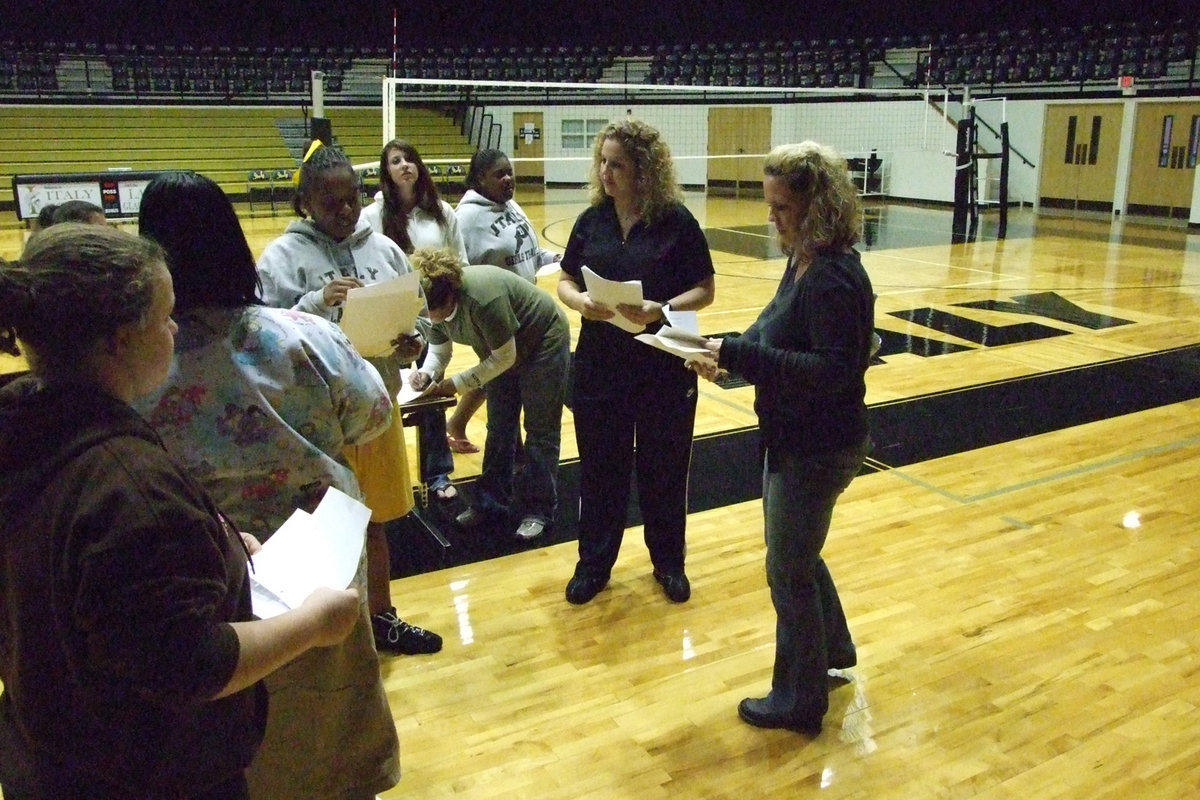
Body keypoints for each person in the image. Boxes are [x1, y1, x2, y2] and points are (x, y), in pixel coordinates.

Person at [0, 223, 359, 799]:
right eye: (165, 316)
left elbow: (94, 589)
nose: (175, 328)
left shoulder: (28, 427)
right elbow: (189, 664)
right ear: (118, 339)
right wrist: (313, 623)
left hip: (49, 754)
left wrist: (217, 545)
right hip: (149, 774)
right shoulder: (127, 486)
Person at [135, 170, 401, 799]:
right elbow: (373, 415)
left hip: (208, 570)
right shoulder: (302, 336)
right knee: (331, 713)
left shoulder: (142, 364)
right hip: (321, 558)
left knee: (231, 718)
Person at [693, 142, 874, 736]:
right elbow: (771, 336)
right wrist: (726, 358)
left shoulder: (834, 278)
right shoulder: (802, 262)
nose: (772, 219)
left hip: (819, 446)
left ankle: (800, 700)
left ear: (818, 206)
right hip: (794, 437)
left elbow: (830, 371)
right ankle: (833, 651)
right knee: (797, 557)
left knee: (787, 569)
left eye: (782, 208)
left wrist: (741, 354)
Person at [256, 142, 442, 656]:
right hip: (311, 421)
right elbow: (260, 336)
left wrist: (415, 341)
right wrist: (316, 301)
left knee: (375, 521)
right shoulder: (280, 260)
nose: (345, 211)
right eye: (330, 201)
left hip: (375, 406)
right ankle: (317, 634)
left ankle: (382, 619)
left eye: (353, 199)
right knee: (319, 526)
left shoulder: (384, 249)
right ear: (305, 203)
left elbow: (419, 315)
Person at [556, 118, 715, 605]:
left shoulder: (677, 222)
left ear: (644, 170)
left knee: (663, 470)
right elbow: (564, 280)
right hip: (600, 367)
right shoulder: (591, 221)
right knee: (600, 469)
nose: (606, 172)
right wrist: (579, 302)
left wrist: (662, 309)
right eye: (602, 162)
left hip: (662, 366)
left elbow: (706, 290)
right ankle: (594, 564)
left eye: (617, 164)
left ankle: (669, 563)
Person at [409, 247, 569, 541]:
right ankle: (489, 503)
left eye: (433, 309)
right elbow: (440, 349)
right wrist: (427, 374)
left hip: (542, 341)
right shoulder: (433, 304)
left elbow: (504, 359)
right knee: (499, 426)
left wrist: (455, 384)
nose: (429, 316)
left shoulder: (483, 300)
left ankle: (538, 510)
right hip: (501, 350)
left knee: (540, 429)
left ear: (451, 295)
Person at [362, 138, 467, 502]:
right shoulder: (373, 216)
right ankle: (381, 478)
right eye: (395, 160)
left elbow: (460, 261)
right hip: (389, 316)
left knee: (430, 389)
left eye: (410, 159)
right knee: (382, 394)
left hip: (432, 314)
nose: (404, 165)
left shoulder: (441, 212)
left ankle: (437, 473)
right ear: (386, 172)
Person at [450, 148, 562, 454]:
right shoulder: (466, 219)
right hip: (493, 316)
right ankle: (513, 456)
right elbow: (460, 272)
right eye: (499, 174)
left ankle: (460, 426)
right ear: (479, 180)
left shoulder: (512, 206)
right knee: (503, 386)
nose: (508, 178)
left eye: (509, 171)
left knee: (501, 382)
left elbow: (529, 254)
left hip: (526, 312)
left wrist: (555, 258)